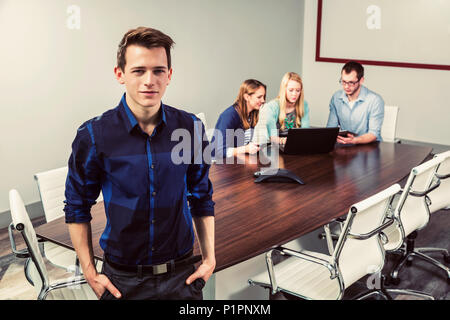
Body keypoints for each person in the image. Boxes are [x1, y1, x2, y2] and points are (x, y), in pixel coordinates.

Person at [64, 27, 215, 300]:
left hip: (182, 276)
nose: (150, 80)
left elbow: (202, 196)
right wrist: (89, 271)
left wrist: (209, 258)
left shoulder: (191, 128)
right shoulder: (94, 135)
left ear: (169, 75)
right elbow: (76, 206)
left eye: (158, 70)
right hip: (122, 281)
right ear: (119, 74)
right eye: (138, 70)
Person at [327, 61, 384, 145]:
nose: (346, 86)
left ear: (361, 81)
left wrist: (355, 140)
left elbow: (373, 134)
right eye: (343, 82)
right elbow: (331, 128)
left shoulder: (375, 100)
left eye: (351, 83)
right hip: (345, 146)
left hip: (370, 147)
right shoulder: (336, 98)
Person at [212, 79, 266, 158]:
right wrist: (245, 149)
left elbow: (241, 144)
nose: (263, 100)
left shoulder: (252, 114)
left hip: (237, 161)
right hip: (221, 164)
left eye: (264, 96)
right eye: (259, 97)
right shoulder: (229, 116)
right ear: (247, 97)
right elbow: (218, 152)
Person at [254, 72, 310, 145]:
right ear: (284, 90)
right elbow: (272, 137)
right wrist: (286, 141)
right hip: (273, 145)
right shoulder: (272, 107)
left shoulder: (304, 105)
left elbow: (305, 132)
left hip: (293, 144)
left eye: (298, 90)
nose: (294, 94)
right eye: (291, 90)